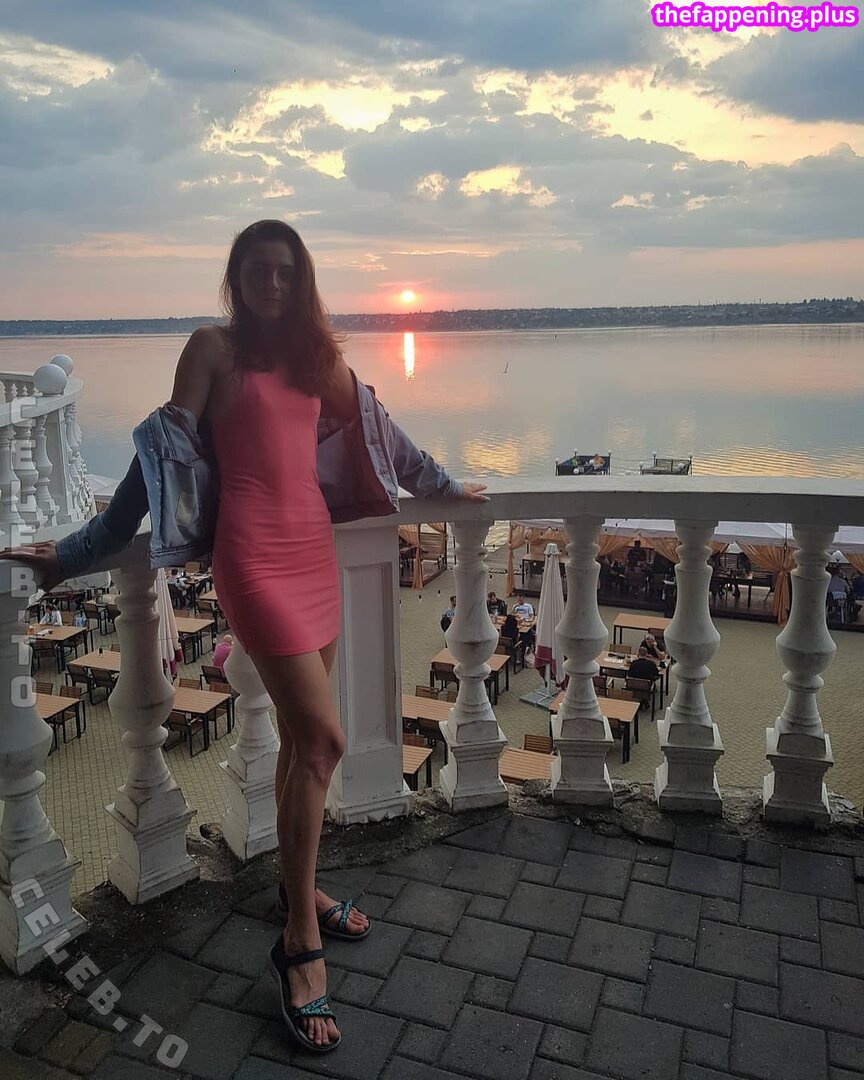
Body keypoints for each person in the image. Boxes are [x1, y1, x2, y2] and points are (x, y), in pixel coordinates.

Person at [0, 219, 487, 1054]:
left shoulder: (315, 360)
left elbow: (383, 433)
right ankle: (298, 942)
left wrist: (445, 486)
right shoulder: (211, 351)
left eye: (287, 271)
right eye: (259, 270)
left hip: (312, 553)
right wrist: (76, 551)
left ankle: (300, 890)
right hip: (253, 559)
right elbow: (159, 459)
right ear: (237, 278)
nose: (273, 283)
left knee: (302, 748)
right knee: (326, 740)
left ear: (302, 282)